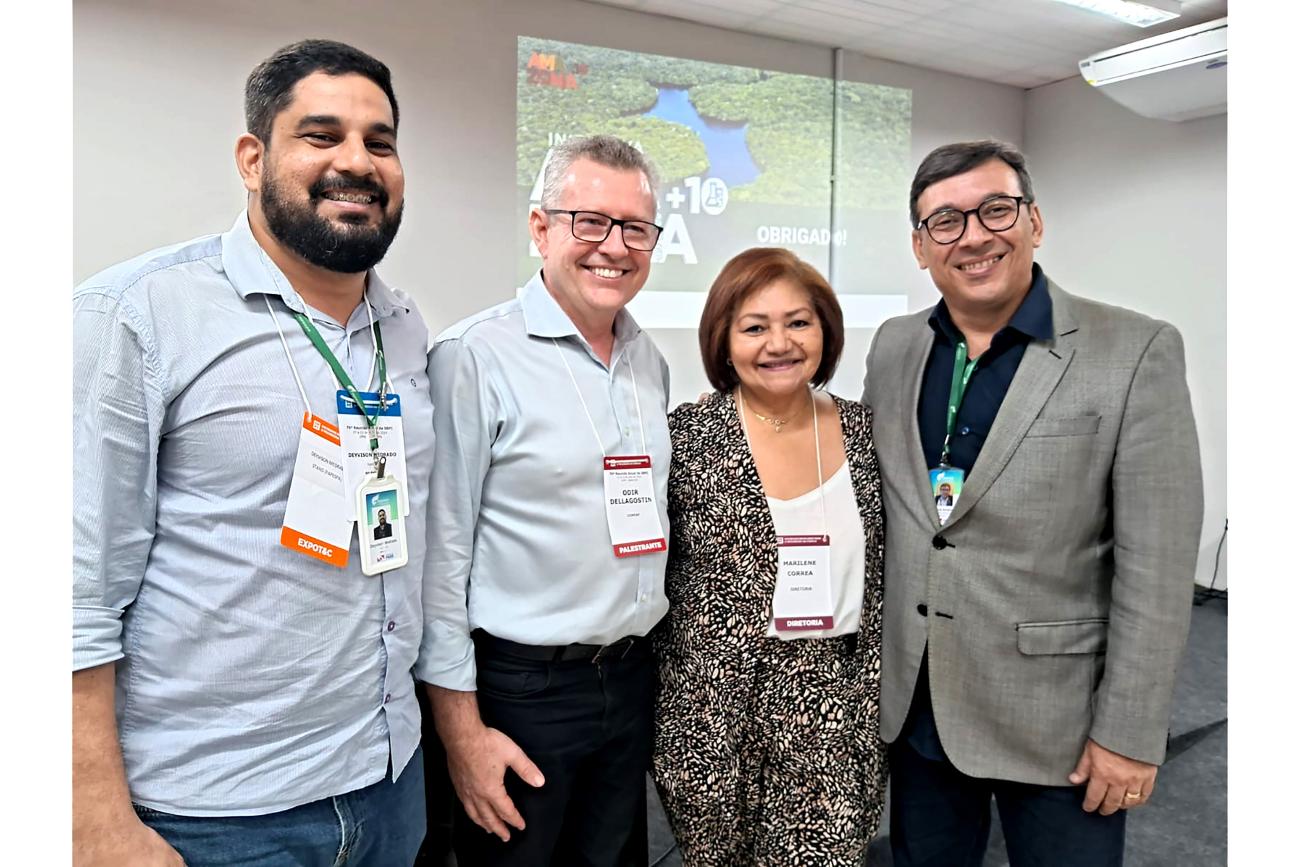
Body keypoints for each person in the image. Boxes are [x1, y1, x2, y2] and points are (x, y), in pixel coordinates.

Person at [73, 39, 434, 866]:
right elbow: (68, 592)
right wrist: (93, 820)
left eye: (380, 142)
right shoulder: (136, 315)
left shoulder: (404, 327)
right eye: (321, 135)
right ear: (252, 157)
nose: (357, 161)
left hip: (388, 779)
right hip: (215, 815)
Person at [862, 140, 1203, 866]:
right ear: (921, 247)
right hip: (920, 704)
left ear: (1034, 221)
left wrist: (1130, 733)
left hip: (1060, 724)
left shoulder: (1134, 350)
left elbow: (1159, 567)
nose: (973, 236)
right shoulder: (894, 346)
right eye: (946, 221)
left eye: (995, 210)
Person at [420, 134, 671, 866]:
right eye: (590, 221)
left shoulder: (647, 360)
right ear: (541, 227)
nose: (614, 247)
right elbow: (440, 558)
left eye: (636, 229)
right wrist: (461, 734)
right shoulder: (474, 356)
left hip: (629, 679)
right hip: (524, 692)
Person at [653, 247, 888, 865]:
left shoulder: (868, 434)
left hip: (836, 712)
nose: (779, 343)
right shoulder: (687, 438)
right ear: (723, 341)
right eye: (754, 327)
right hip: (712, 717)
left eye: (798, 322)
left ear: (825, 330)